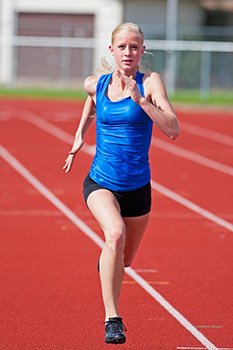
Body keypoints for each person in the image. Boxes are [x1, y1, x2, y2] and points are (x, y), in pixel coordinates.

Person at [63, 22, 180, 345]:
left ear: (142, 51)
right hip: (100, 181)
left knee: (123, 259)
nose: (128, 52)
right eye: (122, 46)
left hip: (137, 188)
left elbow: (173, 129)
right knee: (114, 233)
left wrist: (141, 101)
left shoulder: (151, 82)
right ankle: (112, 319)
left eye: (134, 47)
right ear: (111, 50)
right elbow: (91, 100)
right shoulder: (96, 83)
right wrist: (78, 137)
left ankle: (110, 260)